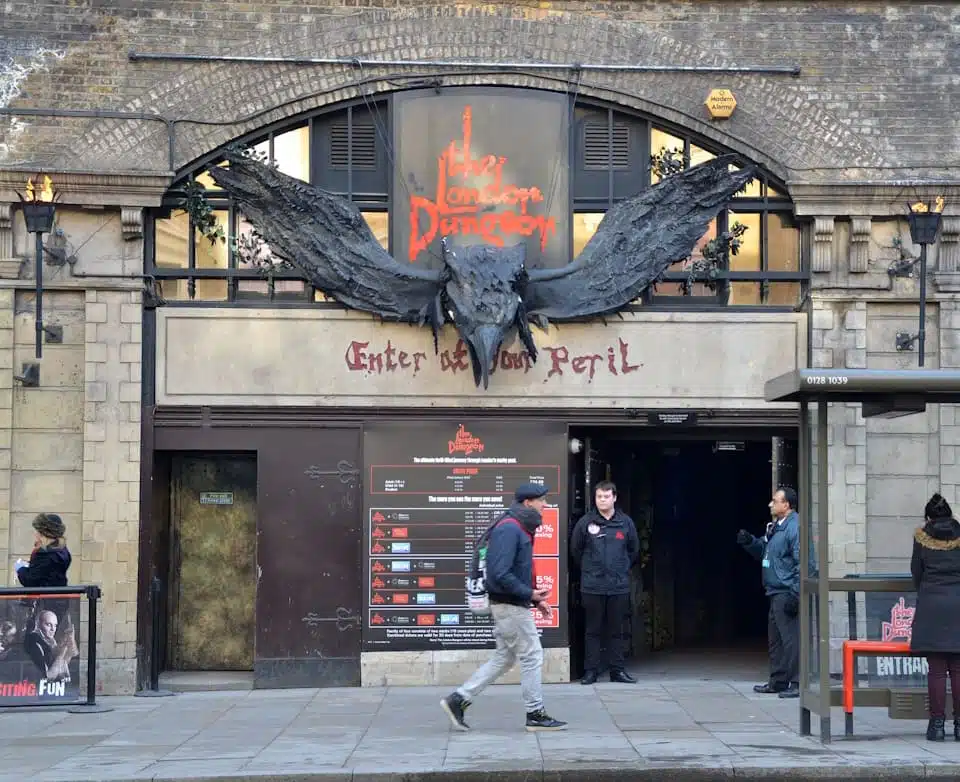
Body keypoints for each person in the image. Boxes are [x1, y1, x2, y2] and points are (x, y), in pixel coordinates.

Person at [441, 483, 567, 733]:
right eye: (541, 500)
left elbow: (511, 571)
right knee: (532, 655)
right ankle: (535, 713)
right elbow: (500, 574)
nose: (545, 505)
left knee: (504, 657)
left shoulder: (517, 526)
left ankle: (459, 699)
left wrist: (534, 599)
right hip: (509, 606)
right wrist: (529, 593)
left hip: (510, 604)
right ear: (527, 503)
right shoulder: (510, 528)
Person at [737, 487, 804, 700]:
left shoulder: (795, 527)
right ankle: (778, 681)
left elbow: (802, 562)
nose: (771, 504)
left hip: (786, 591)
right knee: (776, 640)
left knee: (790, 640)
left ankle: (796, 682)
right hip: (774, 591)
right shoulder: (775, 527)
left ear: (787, 505)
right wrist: (750, 542)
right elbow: (765, 552)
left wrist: (795, 593)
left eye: (775, 501)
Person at [570, 480, 640, 685]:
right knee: (593, 629)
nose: (602, 500)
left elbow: (633, 550)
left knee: (616, 630)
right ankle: (591, 671)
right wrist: (590, 570)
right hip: (592, 585)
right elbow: (576, 550)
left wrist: (621, 568)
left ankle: (617, 671)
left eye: (606, 496)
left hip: (618, 585)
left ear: (614, 498)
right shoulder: (585, 522)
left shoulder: (625, 522)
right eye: (599, 496)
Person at [909, 493, 960, 742]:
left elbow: (916, 573)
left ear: (929, 517)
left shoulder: (922, 539)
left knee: (937, 671)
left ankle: (937, 726)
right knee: (959, 670)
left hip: (932, 606)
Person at [15, 513, 72, 588]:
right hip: (60, 596)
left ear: (45, 533)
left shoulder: (44, 554)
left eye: (38, 531)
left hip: (44, 597)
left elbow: (30, 580)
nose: (36, 534)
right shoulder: (63, 551)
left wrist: (20, 568)